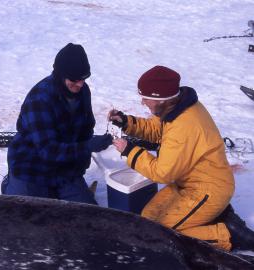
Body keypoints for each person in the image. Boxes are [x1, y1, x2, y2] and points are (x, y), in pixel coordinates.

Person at [108, 65, 254, 251]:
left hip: (209, 189)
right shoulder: (174, 108)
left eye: (146, 98)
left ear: (161, 100)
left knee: (163, 233)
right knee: (149, 220)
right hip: (187, 184)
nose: (143, 102)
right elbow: (155, 129)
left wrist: (129, 151)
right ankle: (217, 216)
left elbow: (162, 172)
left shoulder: (183, 125)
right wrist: (126, 122)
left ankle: (228, 235)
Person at [2, 43, 112, 204]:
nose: (80, 84)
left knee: (87, 216)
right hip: (31, 169)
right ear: (60, 75)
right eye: (74, 79)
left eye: (84, 78)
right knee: (31, 218)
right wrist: (86, 147)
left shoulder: (82, 91)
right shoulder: (40, 99)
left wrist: (83, 159)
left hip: (64, 170)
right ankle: (11, 184)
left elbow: (86, 127)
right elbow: (48, 150)